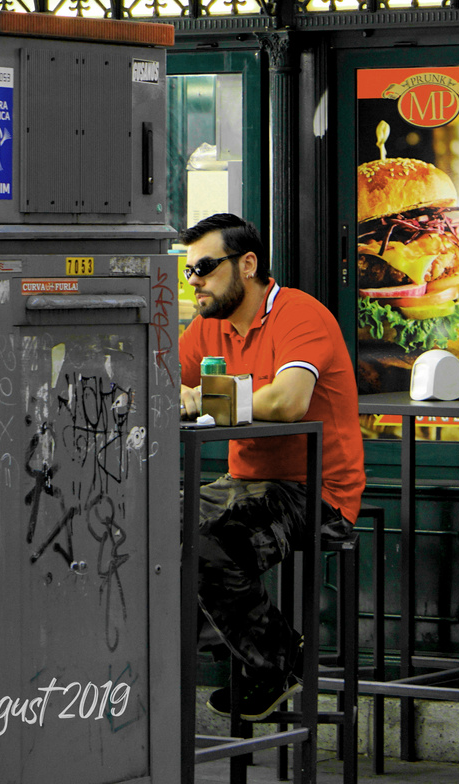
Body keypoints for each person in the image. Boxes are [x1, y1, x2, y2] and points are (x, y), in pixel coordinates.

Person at [178, 213, 364, 721]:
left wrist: (204, 397)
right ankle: (206, 660)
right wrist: (180, 394)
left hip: (316, 492)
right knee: (147, 523)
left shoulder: (300, 315)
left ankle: (278, 660)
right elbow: (160, 384)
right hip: (242, 482)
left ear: (248, 264)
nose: (193, 281)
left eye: (206, 268)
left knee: (210, 546)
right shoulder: (206, 327)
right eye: (188, 270)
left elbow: (288, 402)